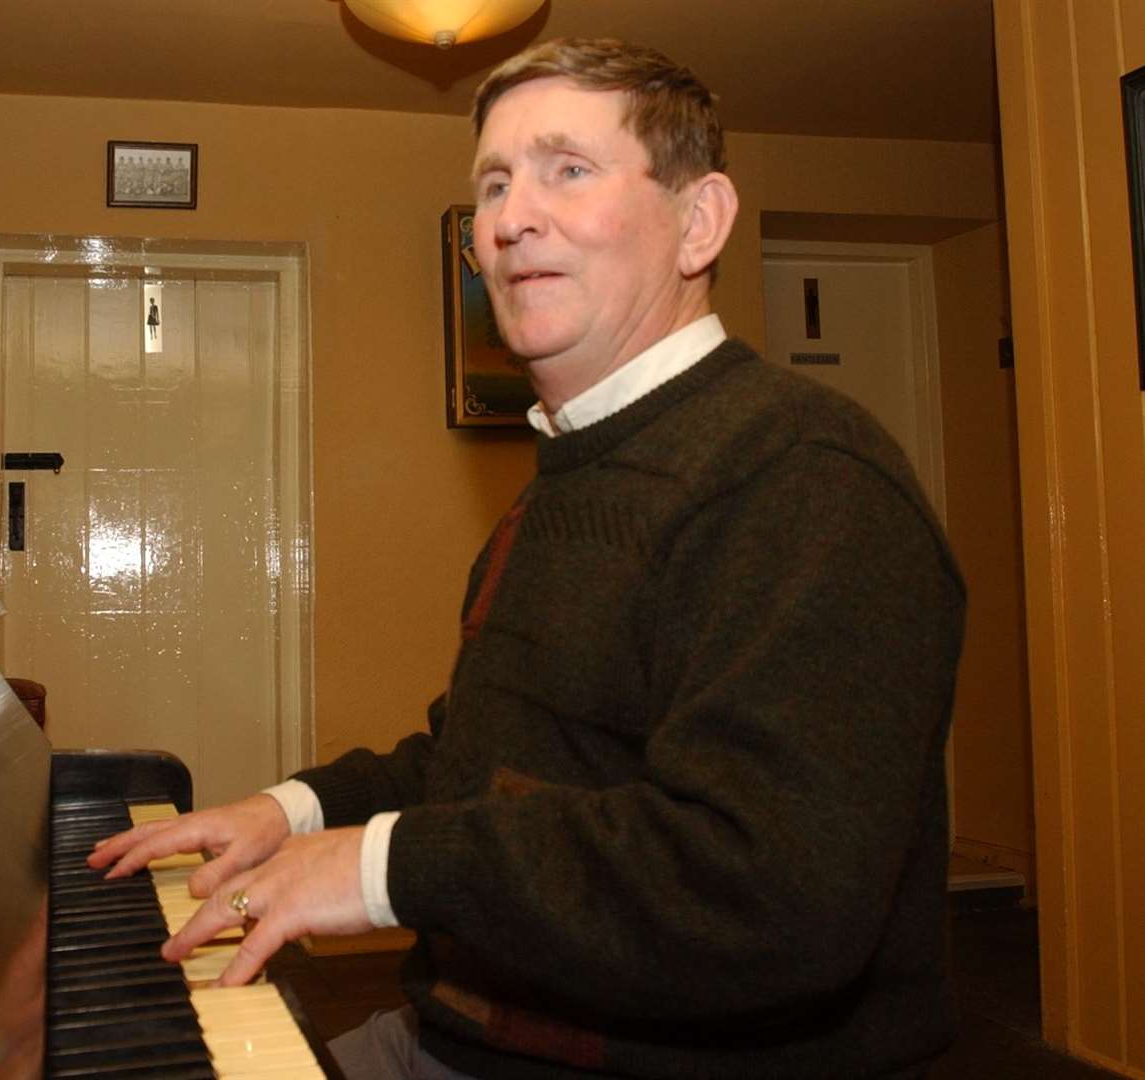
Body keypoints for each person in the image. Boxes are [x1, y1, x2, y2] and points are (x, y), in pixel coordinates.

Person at [90, 37, 965, 1080]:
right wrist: (291, 814)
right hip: (458, 1035)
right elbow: (472, 766)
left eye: (568, 170)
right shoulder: (569, 475)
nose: (510, 218)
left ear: (700, 222)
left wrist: (376, 868)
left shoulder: (805, 478)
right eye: (496, 183)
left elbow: (773, 893)